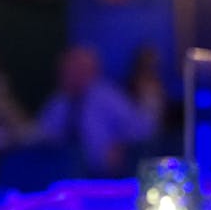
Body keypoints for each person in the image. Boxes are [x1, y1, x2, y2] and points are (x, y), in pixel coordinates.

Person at [38, 45, 153, 178]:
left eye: (76, 68)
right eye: (65, 69)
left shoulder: (107, 96)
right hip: (65, 175)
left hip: (105, 175)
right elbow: (42, 135)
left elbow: (141, 130)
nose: (68, 74)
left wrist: (124, 147)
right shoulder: (59, 102)